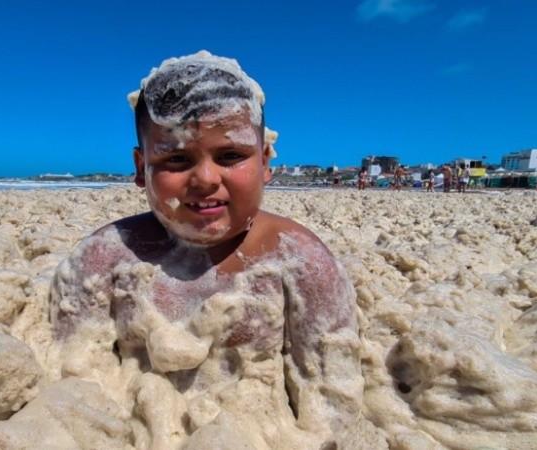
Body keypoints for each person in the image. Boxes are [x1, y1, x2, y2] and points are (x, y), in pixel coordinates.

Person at [49, 51, 362, 447]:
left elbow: (332, 404)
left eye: (231, 155)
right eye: (176, 158)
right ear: (140, 167)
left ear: (265, 161)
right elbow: (73, 384)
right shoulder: (104, 256)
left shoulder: (300, 260)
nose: (206, 178)